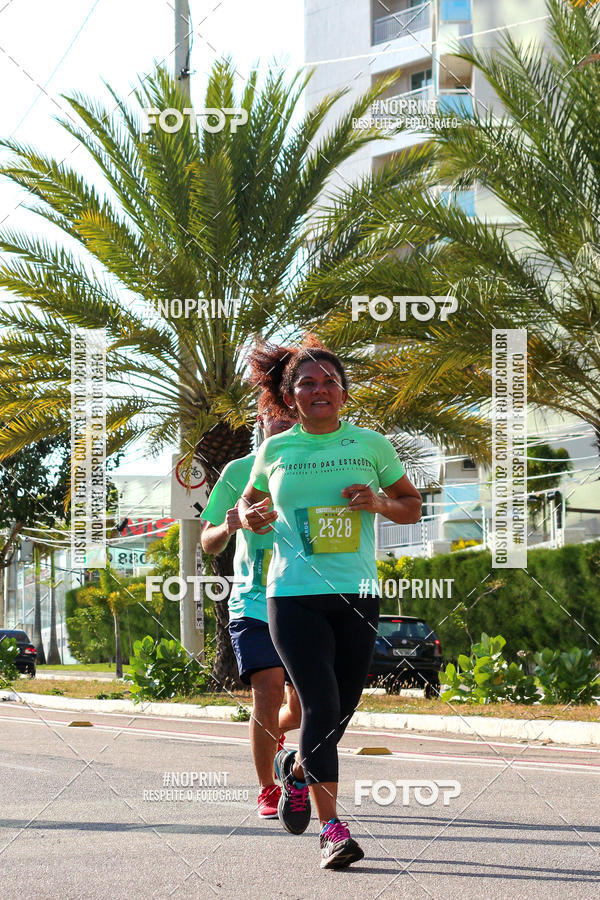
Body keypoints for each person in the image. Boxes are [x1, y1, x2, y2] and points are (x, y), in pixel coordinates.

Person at [238, 335, 422, 869]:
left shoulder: (371, 445)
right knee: (319, 704)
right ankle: (333, 831)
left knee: (341, 708)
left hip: (356, 593)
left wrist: (380, 502)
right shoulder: (275, 450)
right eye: (307, 383)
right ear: (289, 396)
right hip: (292, 594)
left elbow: (411, 506)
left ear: (343, 393)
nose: (319, 390)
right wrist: (251, 516)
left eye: (328, 382)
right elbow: (249, 503)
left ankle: (297, 770)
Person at [200, 402, 302, 819]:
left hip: (304, 598)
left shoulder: (315, 466)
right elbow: (208, 541)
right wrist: (230, 525)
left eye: (290, 414)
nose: (283, 421)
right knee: (267, 691)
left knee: (303, 708)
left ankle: (274, 737)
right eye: (274, 414)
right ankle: (268, 789)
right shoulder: (238, 471)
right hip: (253, 600)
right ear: (260, 421)